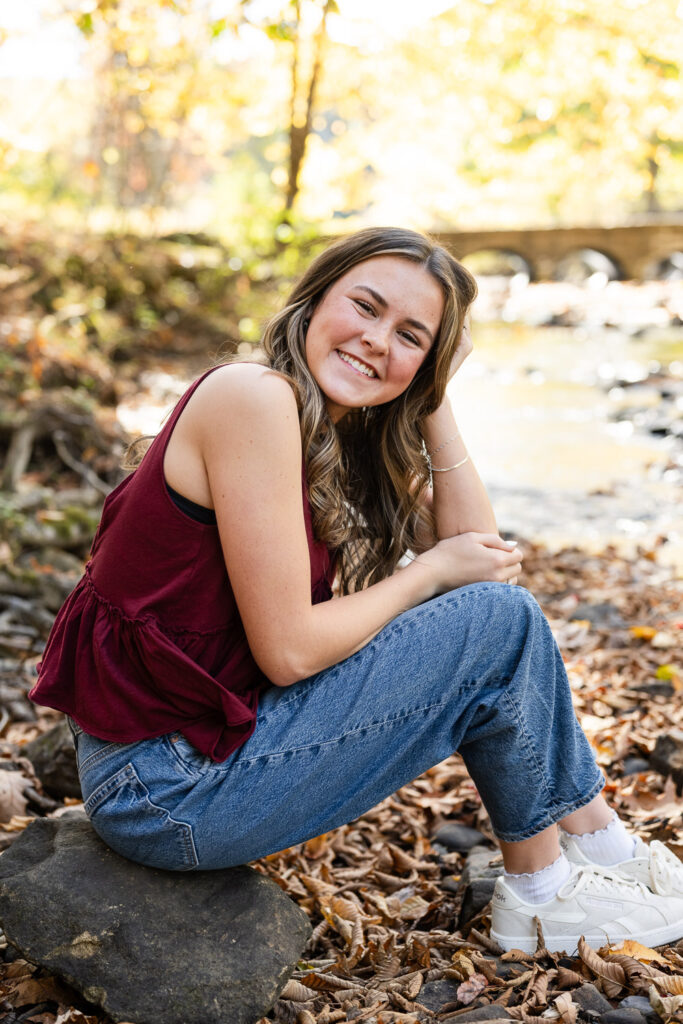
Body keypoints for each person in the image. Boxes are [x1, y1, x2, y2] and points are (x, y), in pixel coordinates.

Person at [30, 227, 683, 954]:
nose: (377, 340)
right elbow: (289, 650)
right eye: (365, 307)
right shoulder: (250, 397)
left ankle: (597, 851)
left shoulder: (335, 435)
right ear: (311, 304)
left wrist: (433, 396)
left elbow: (482, 556)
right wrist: (424, 575)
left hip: (203, 752)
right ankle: (544, 891)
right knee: (493, 621)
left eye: (410, 335)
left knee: (496, 613)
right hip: (163, 790)